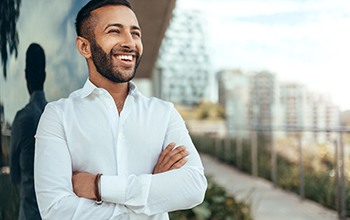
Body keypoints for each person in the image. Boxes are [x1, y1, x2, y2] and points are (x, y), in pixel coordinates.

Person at [34, 0, 207, 219]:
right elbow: (55, 211)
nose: (129, 42)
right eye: (114, 31)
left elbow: (193, 186)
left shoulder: (164, 113)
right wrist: (152, 191)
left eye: (135, 34)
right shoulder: (57, 116)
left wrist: (99, 187)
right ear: (84, 47)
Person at [10, 43, 46, 220]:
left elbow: (14, 175)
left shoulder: (23, 118)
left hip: (29, 213)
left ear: (25, 76)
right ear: (45, 76)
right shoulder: (55, 116)